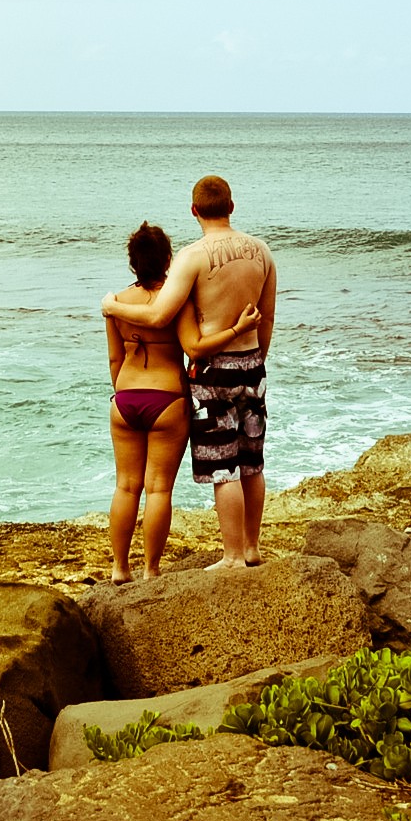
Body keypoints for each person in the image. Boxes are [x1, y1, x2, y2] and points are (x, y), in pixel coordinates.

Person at [102, 175, 277, 568]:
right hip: (250, 362)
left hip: (204, 373)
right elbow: (266, 321)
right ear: (231, 206)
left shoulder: (192, 257)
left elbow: (160, 316)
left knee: (222, 465)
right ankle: (250, 548)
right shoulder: (262, 252)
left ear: (194, 210)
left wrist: (112, 307)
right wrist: (254, 356)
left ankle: (228, 555)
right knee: (252, 460)